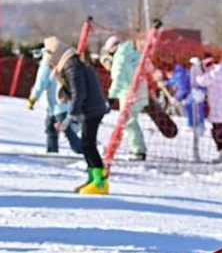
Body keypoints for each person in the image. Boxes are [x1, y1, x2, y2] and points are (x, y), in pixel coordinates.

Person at [43, 36, 110, 194]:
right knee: (87, 144)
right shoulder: (70, 63)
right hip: (91, 108)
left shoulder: (72, 66)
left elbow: (78, 93)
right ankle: (93, 178)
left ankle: (100, 182)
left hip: (92, 109)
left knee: (88, 144)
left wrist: (71, 116)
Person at [100, 35, 148, 161]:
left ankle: (138, 150)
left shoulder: (119, 58)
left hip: (128, 93)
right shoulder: (135, 53)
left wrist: (111, 96)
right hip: (141, 91)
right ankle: (137, 148)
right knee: (131, 121)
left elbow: (118, 78)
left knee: (128, 122)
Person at [27, 48, 80, 154]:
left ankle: (80, 149)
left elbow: (41, 83)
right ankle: (52, 150)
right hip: (56, 104)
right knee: (50, 126)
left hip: (59, 104)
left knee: (66, 128)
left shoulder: (46, 65)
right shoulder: (57, 62)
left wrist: (33, 98)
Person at [194, 53, 222, 162]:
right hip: (218, 108)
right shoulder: (217, 71)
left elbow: (202, 81)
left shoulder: (219, 71)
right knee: (216, 132)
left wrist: (198, 70)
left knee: (220, 132)